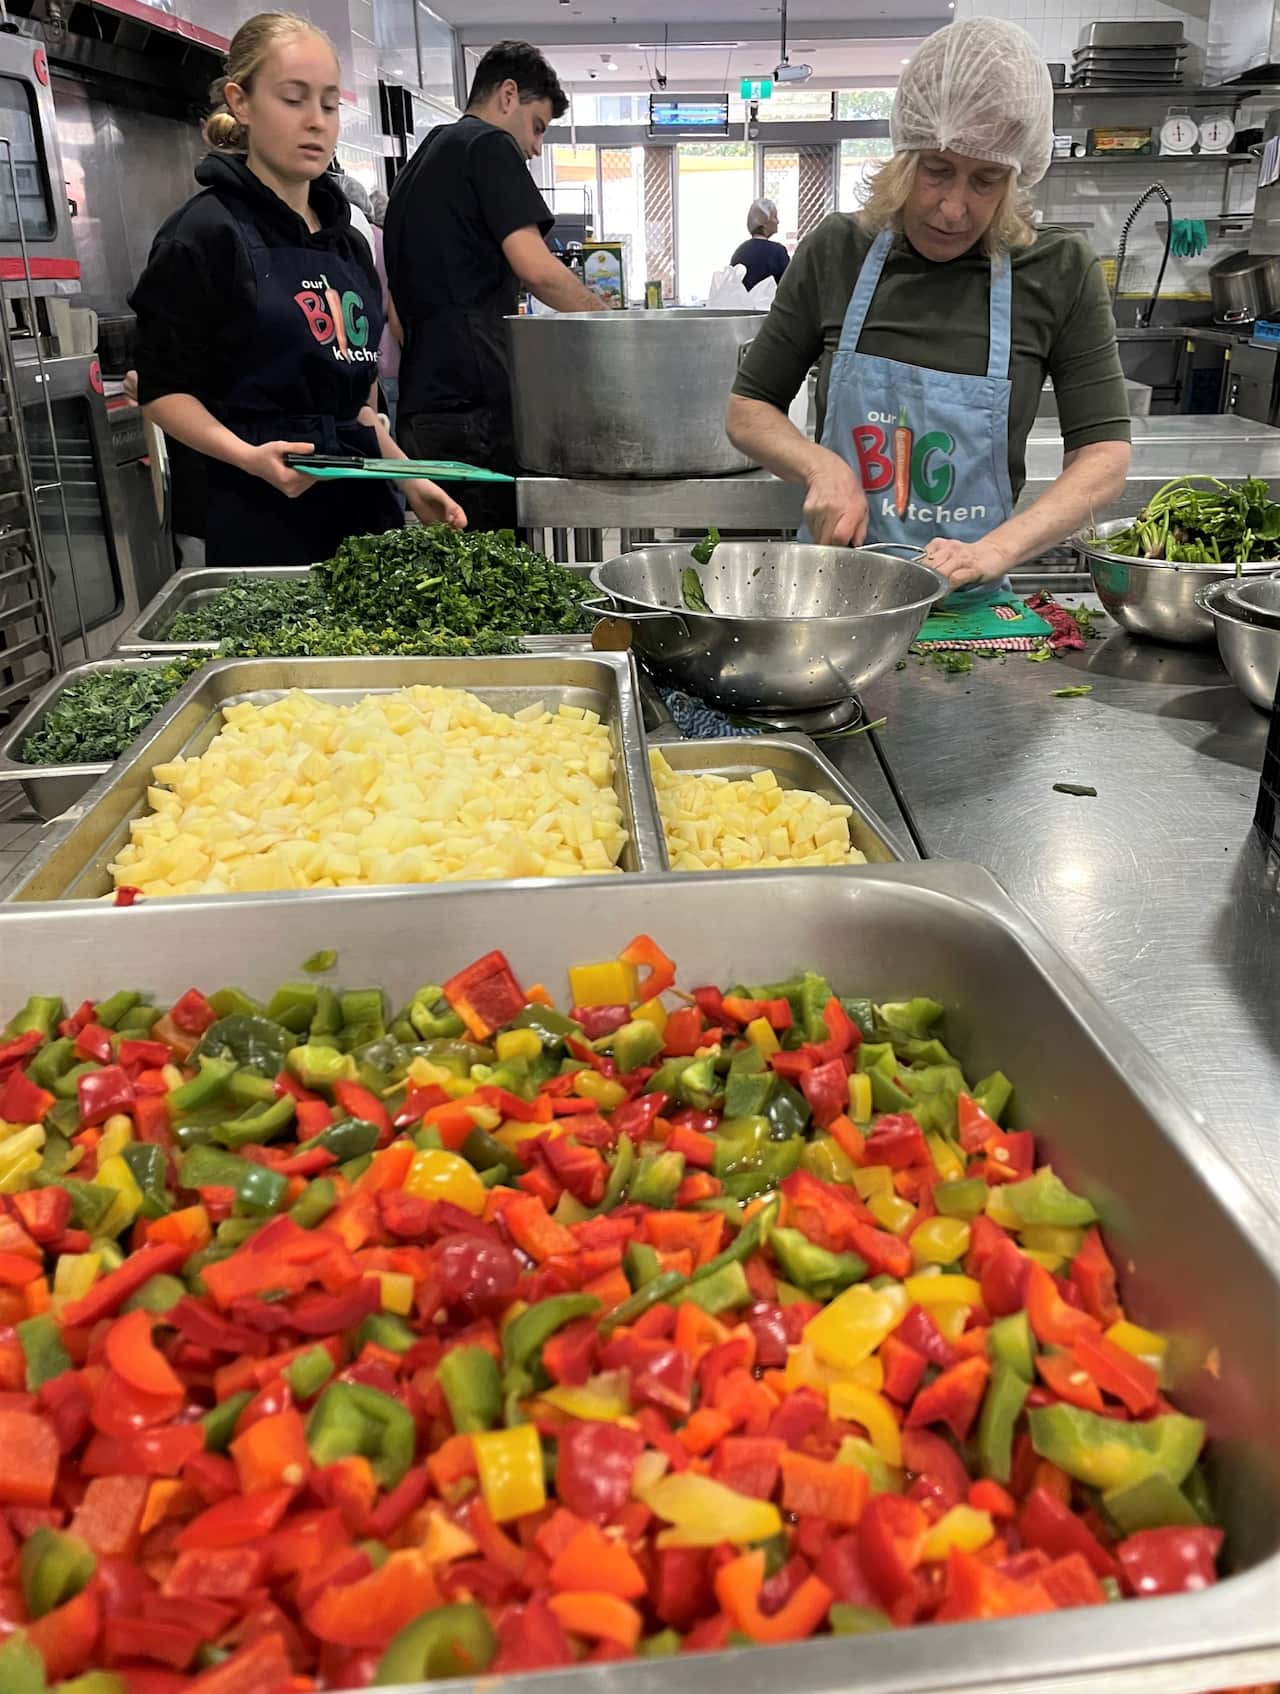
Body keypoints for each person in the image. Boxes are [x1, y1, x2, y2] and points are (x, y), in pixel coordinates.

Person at [726, 17, 1131, 599]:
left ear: (1016, 177)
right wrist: (819, 465)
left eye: (986, 180)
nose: (953, 208)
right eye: (937, 171)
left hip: (971, 601)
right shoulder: (838, 251)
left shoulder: (1060, 270)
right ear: (904, 156)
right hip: (832, 593)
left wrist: (996, 549)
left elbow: (1105, 458)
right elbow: (747, 411)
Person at [130, 11, 464, 569]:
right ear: (241, 102)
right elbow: (163, 390)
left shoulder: (347, 243)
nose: (316, 122)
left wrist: (409, 479)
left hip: (361, 519)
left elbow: (355, 409)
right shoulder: (205, 233)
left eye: (329, 104)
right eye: (294, 99)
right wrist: (249, 457)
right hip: (251, 516)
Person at [384, 40, 605, 532]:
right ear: (508, 95)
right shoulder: (488, 145)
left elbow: (396, 316)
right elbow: (537, 268)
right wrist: (609, 323)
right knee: (494, 576)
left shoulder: (418, 163)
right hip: (472, 413)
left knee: (448, 579)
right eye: (538, 127)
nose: (536, 147)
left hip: (423, 411)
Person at [731, 198, 790, 292]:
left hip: (743, 306)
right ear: (764, 222)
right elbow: (788, 288)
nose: (778, 221)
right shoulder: (777, 252)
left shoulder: (739, 252)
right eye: (775, 217)